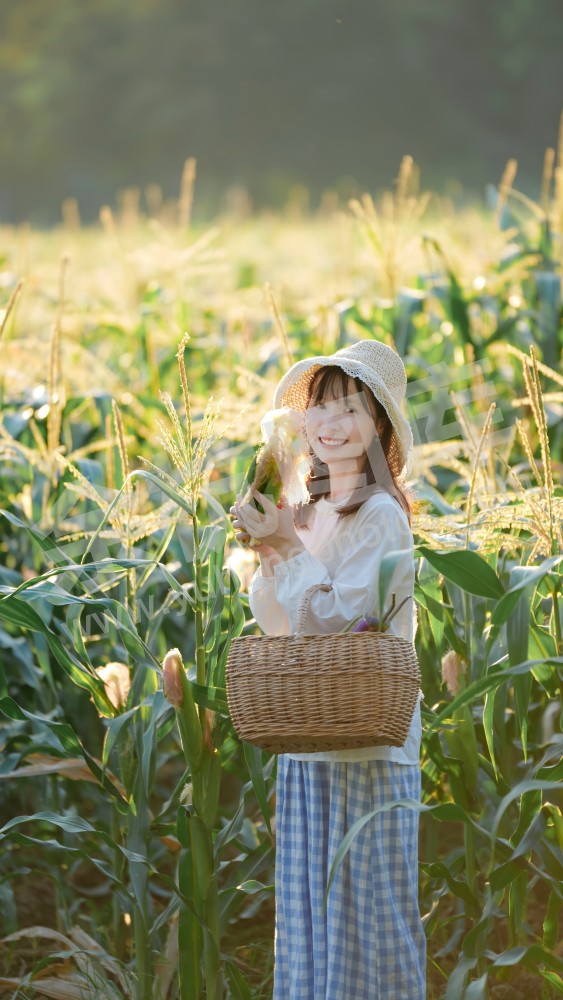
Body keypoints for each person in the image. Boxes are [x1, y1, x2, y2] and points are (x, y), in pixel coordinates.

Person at [230, 339, 426, 1000]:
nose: (331, 424)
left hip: (367, 750)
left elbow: (347, 624)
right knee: (313, 930)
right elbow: (281, 629)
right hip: (311, 745)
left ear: (378, 428)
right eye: (321, 408)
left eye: (351, 409)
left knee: (369, 931)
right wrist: (271, 551)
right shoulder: (311, 512)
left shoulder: (380, 516)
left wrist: (289, 548)